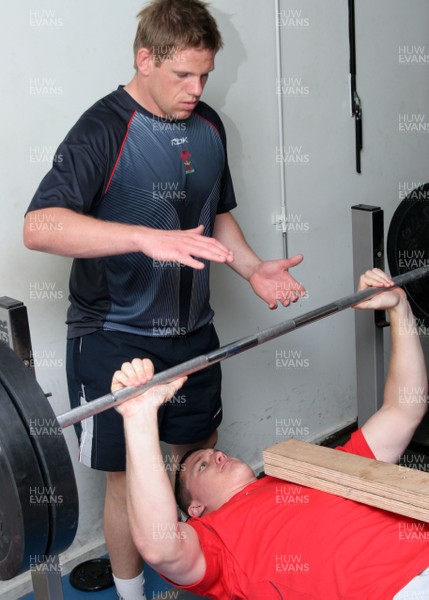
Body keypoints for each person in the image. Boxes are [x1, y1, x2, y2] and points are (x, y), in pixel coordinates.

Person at [23, 1, 305, 598]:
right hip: (115, 335)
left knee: (196, 461)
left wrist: (253, 269)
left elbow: (216, 213)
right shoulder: (102, 128)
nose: (196, 89)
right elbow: (39, 227)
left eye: (205, 75)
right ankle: (131, 595)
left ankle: (213, 580)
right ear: (144, 58)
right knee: (130, 477)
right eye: (183, 75)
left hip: (193, 331)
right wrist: (142, 237)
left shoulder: (208, 125)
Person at [113, 268, 429, 600]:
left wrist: (400, 309)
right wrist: (140, 416)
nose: (218, 454)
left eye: (212, 455)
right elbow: (161, 547)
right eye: (202, 466)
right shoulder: (214, 539)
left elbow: (403, 409)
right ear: (195, 510)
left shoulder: (312, 471)